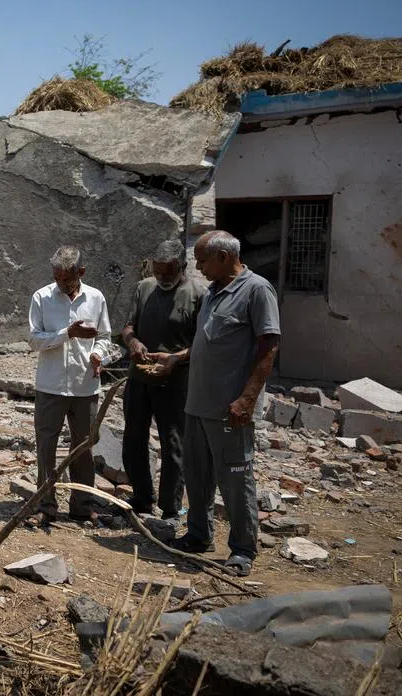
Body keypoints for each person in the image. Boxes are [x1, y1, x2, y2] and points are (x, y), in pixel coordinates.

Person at [171, 230, 280, 578]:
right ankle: (199, 536)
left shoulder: (257, 290)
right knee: (197, 475)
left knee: (235, 478)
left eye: (202, 260)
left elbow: (268, 348)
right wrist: (176, 358)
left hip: (230, 408)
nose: (198, 267)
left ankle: (243, 549)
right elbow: (208, 343)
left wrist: (247, 398)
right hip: (198, 404)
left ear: (222, 257)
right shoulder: (212, 293)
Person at [120, 240, 206, 521]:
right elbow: (128, 327)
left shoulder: (198, 294)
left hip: (175, 384)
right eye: (158, 272)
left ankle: (170, 508)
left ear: (182, 267)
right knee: (133, 439)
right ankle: (142, 498)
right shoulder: (144, 288)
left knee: (174, 445)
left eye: (169, 272)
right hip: (139, 379)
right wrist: (132, 342)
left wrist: (175, 359)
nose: (163, 278)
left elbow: (204, 344)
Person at [28, 246, 112, 523]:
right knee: (46, 448)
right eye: (57, 278)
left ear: (81, 272)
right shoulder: (42, 297)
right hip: (50, 386)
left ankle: (82, 505)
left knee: (84, 448)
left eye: (67, 278)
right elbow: (34, 340)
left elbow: (105, 337)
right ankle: (45, 506)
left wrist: (98, 355)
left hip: (85, 386)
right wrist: (68, 334)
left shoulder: (96, 298)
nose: (61, 284)